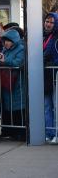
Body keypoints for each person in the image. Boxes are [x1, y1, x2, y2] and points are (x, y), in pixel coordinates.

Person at [0, 29, 26, 141]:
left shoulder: (21, 49)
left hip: (18, 83)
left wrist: (4, 61)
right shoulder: (5, 50)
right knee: (8, 108)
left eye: (8, 41)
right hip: (7, 83)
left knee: (18, 108)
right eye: (5, 41)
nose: (6, 43)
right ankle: (9, 131)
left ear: (14, 40)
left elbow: (18, 62)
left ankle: (20, 132)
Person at [43, 12, 58, 142]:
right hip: (46, 77)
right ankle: (50, 132)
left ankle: (56, 133)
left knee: (55, 105)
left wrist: (51, 62)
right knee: (47, 106)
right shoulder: (42, 36)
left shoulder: (56, 37)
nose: (48, 24)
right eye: (47, 21)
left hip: (54, 76)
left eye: (51, 22)